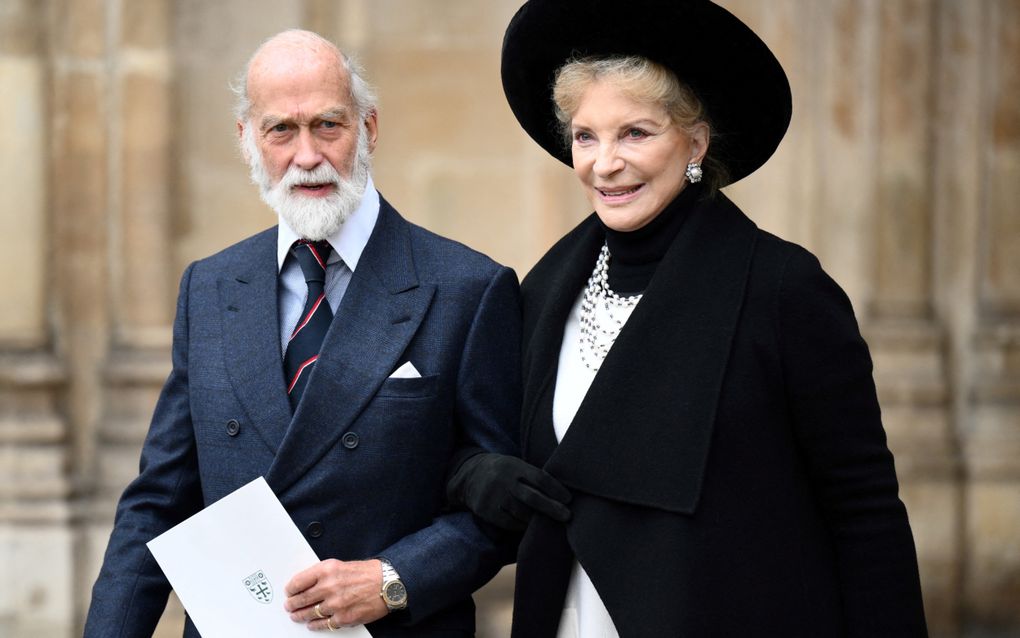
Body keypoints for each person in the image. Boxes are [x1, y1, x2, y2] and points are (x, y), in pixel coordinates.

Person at [445, 1, 929, 636]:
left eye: (636, 133)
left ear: (695, 142)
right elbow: (478, 442)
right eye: (586, 136)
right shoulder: (542, 288)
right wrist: (477, 474)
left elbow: (864, 508)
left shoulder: (784, 289)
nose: (604, 163)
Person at [85, 29, 521, 637]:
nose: (307, 155)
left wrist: (392, 579)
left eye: (328, 126)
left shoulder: (470, 288)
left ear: (369, 128)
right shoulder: (209, 287)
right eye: (281, 130)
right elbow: (158, 501)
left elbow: (501, 507)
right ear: (247, 140)